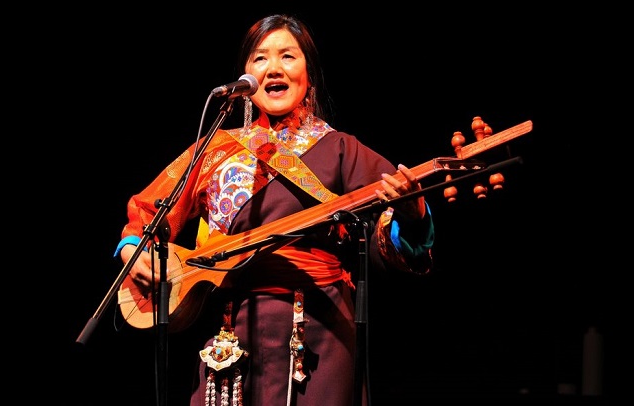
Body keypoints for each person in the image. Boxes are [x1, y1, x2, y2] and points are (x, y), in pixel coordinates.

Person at [115, 14, 434, 406]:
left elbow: (389, 231)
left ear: (309, 75)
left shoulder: (340, 149)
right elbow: (148, 210)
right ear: (245, 77)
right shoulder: (217, 149)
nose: (274, 68)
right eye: (260, 58)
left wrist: (413, 215)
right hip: (231, 336)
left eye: (288, 56)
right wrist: (133, 249)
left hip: (319, 330)